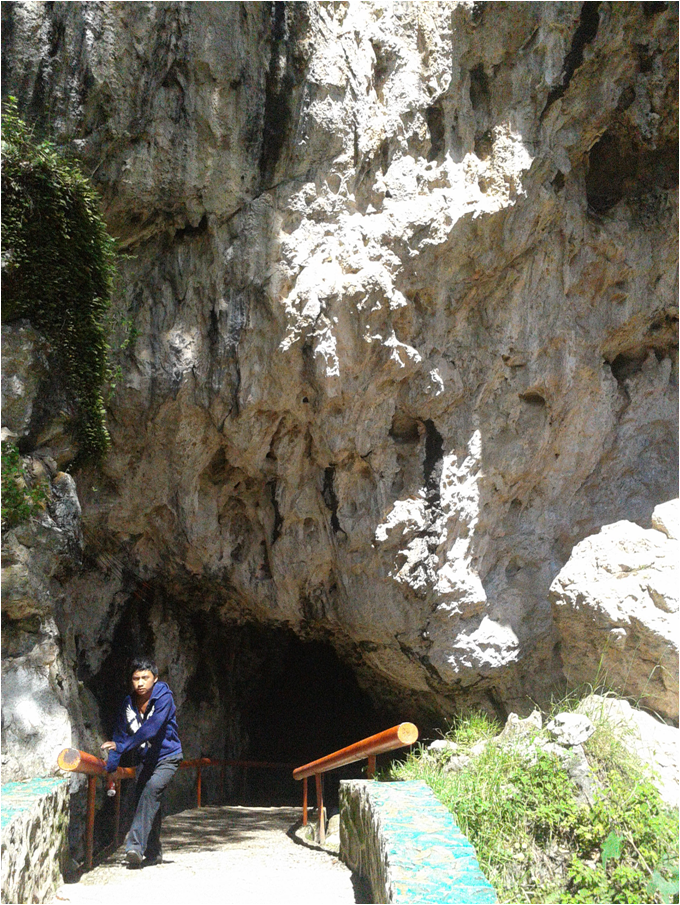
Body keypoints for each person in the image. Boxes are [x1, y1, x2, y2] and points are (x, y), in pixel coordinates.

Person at [101, 657, 183, 867]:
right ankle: (153, 852)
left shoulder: (164, 697)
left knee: (151, 790)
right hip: (145, 760)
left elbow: (151, 728)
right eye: (136, 678)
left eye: (145, 678)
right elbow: (118, 738)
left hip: (168, 757)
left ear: (155, 678)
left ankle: (134, 847)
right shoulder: (127, 704)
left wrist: (122, 746)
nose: (140, 683)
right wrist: (111, 768)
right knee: (145, 800)